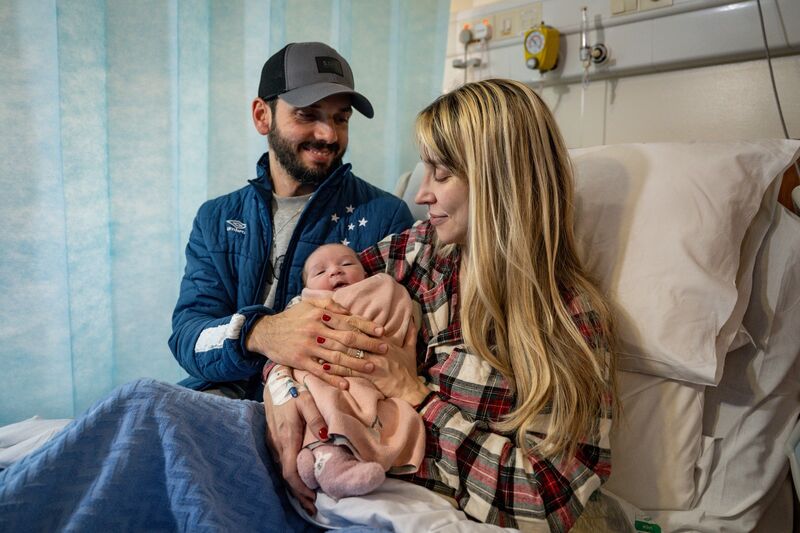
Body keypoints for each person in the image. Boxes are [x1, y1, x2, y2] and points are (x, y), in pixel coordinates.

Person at [265, 78, 617, 531]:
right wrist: (282, 390)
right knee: (155, 411)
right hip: (325, 469)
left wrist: (417, 398)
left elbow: (550, 498)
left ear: (499, 182)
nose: (420, 194)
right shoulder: (418, 251)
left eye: (442, 174)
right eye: (423, 170)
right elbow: (305, 311)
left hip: (399, 503)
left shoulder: (568, 320)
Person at [168, 41, 415, 404]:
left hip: (327, 408)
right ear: (261, 116)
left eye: (340, 118)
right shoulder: (218, 219)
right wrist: (261, 333)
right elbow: (189, 337)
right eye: (307, 114)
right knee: (136, 407)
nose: (328, 134)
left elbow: (398, 342)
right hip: (221, 400)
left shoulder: (384, 217)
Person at [269, 243, 425, 499]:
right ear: (306, 289)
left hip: (378, 372)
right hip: (322, 372)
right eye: (320, 272)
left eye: (347, 264)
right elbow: (285, 344)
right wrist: (279, 380)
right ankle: (330, 461)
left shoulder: (381, 288)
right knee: (327, 394)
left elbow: (400, 315)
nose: (335, 272)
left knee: (380, 409)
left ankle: (319, 456)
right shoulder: (302, 308)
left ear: (365, 273)